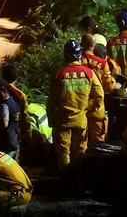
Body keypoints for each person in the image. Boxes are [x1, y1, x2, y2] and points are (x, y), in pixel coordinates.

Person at [48, 39, 103, 170]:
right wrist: (91, 109)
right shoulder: (89, 73)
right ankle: (77, 179)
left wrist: (51, 119)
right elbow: (99, 95)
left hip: (63, 121)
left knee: (63, 152)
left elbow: (52, 100)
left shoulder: (60, 74)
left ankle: (66, 180)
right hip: (81, 121)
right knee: (80, 152)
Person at [80, 34, 115, 143]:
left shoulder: (76, 62)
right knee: (98, 140)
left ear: (81, 45)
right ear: (94, 46)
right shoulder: (102, 63)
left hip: (79, 103)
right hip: (96, 104)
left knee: (80, 140)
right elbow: (109, 86)